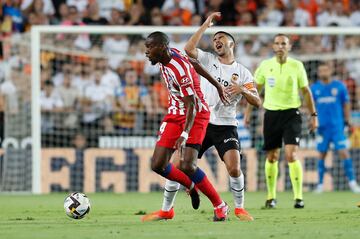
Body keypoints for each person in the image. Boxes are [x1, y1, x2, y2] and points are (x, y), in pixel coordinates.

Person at [142, 12, 261, 222]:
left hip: (223, 123)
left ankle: (239, 208)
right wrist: (206, 25)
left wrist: (242, 89)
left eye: (220, 38)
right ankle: (166, 208)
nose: (216, 41)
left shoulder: (243, 72)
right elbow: (189, 51)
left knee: (234, 167)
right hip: (201, 118)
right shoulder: (208, 58)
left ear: (231, 43)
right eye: (214, 39)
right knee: (179, 164)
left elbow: (257, 102)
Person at [143, 31, 229, 221]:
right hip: (175, 113)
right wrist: (217, 85)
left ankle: (220, 205)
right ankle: (190, 186)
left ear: (161, 47)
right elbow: (195, 63)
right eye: (146, 47)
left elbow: (191, 104)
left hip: (196, 114)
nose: (147, 52)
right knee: (157, 164)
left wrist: (184, 133)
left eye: (149, 47)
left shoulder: (178, 70)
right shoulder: (170, 54)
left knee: (188, 164)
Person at [245, 33, 318, 209]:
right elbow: (255, 90)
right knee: (272, 156)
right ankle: (271, 197)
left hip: (292, 114)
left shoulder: (297, 66)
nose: (280, 46)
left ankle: (298, 197)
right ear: (273, 47)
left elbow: (306, 91)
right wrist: (248, 112)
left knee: (291, 154)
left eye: (283, 43)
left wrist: (314, 115)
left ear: (289, 47)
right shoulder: (265, 65)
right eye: (277, 43)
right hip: (271, 115)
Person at [311, 62, 360, 193]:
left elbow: (346, 104)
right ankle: (320, 185)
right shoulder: (314, 88)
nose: (323, 72)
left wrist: (348, 120)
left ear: (330, 71)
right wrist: (313, 120)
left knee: (344, 152)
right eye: (321, 70)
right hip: (322, 127)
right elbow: (311, 106)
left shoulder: (339, 86)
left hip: (337, 126)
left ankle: (352, 182)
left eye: (325, 70)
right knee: (322, 154)